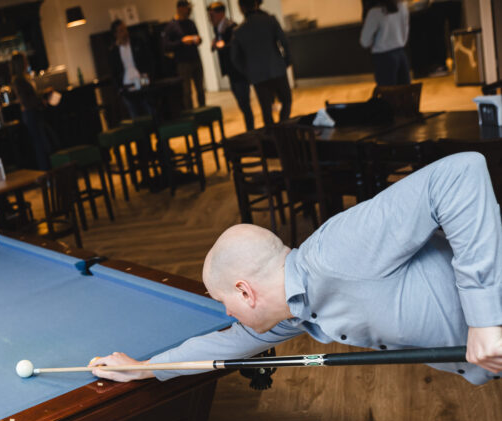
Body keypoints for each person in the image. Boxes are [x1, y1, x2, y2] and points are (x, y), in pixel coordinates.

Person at [90, 152, 502, 385]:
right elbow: (224, 347)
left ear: (246, 291)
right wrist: (144, 369)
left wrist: (485, 320)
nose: (228, 314)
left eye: (225, 302)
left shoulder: (338, 250)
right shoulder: (296, 312)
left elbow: (460, 172)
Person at [230, 0, 292, 126]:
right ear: (256, 4)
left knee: (266, 110)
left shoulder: (239, 31)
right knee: (286, 100)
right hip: (276, 68)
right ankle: (283, 127)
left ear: (241, 8)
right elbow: (284, 42)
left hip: (257, 75)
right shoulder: (270, 20)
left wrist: (247, 71)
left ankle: (272, 137)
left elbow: (235, 57)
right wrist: (286, 61)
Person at [208, 1, 254, 131]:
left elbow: (237, 48)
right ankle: (250, 130)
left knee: (244, 103)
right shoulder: (218, 28)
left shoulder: (232, 27)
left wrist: (223, 46)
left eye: (212, 16)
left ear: (221, 13)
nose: (210, 19)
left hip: (238, 70)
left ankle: (251, 131)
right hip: (230, 70)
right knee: (241, 103)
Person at [10, 52, 54, 170]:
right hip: (31, 114)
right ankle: (47, 173)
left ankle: (49, 171)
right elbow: (26, 100)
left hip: (32, 113)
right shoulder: (18, 80)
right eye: (25, 60)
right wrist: (40, 101)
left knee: (42, 143)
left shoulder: (23, 78)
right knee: (40, 145)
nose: (27, 62)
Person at [163, 0, 205, 110]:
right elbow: (166, 45)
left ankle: (204, 113)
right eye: (187, 8)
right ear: (180, 8)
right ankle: (192, 115)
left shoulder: (190, 23)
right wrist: (182, 42)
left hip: (195, 59)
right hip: (183, 62)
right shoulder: (171, 26)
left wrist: (198, 40)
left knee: (200, 89)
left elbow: (198, 37)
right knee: (187, 92)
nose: (189, 10)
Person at [109, 19, 155, 119]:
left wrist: (148, 76)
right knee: (135, 115)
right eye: (121, 30)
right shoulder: (114, 51)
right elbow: (114, 71)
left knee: (150, 111)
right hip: (127, 86)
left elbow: (148, 60)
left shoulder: (137, 42)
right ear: (115, 34)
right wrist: (119, 88)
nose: (125, 33)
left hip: (141, 81)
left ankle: (156, 131)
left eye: (125, 29)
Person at [360, 0, 411, 86]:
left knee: (387, 94)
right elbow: (405, 34)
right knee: (404, 93)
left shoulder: (375, 13)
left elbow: (364, 42)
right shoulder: (402, 7)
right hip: (401, 54)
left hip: (383, 58)